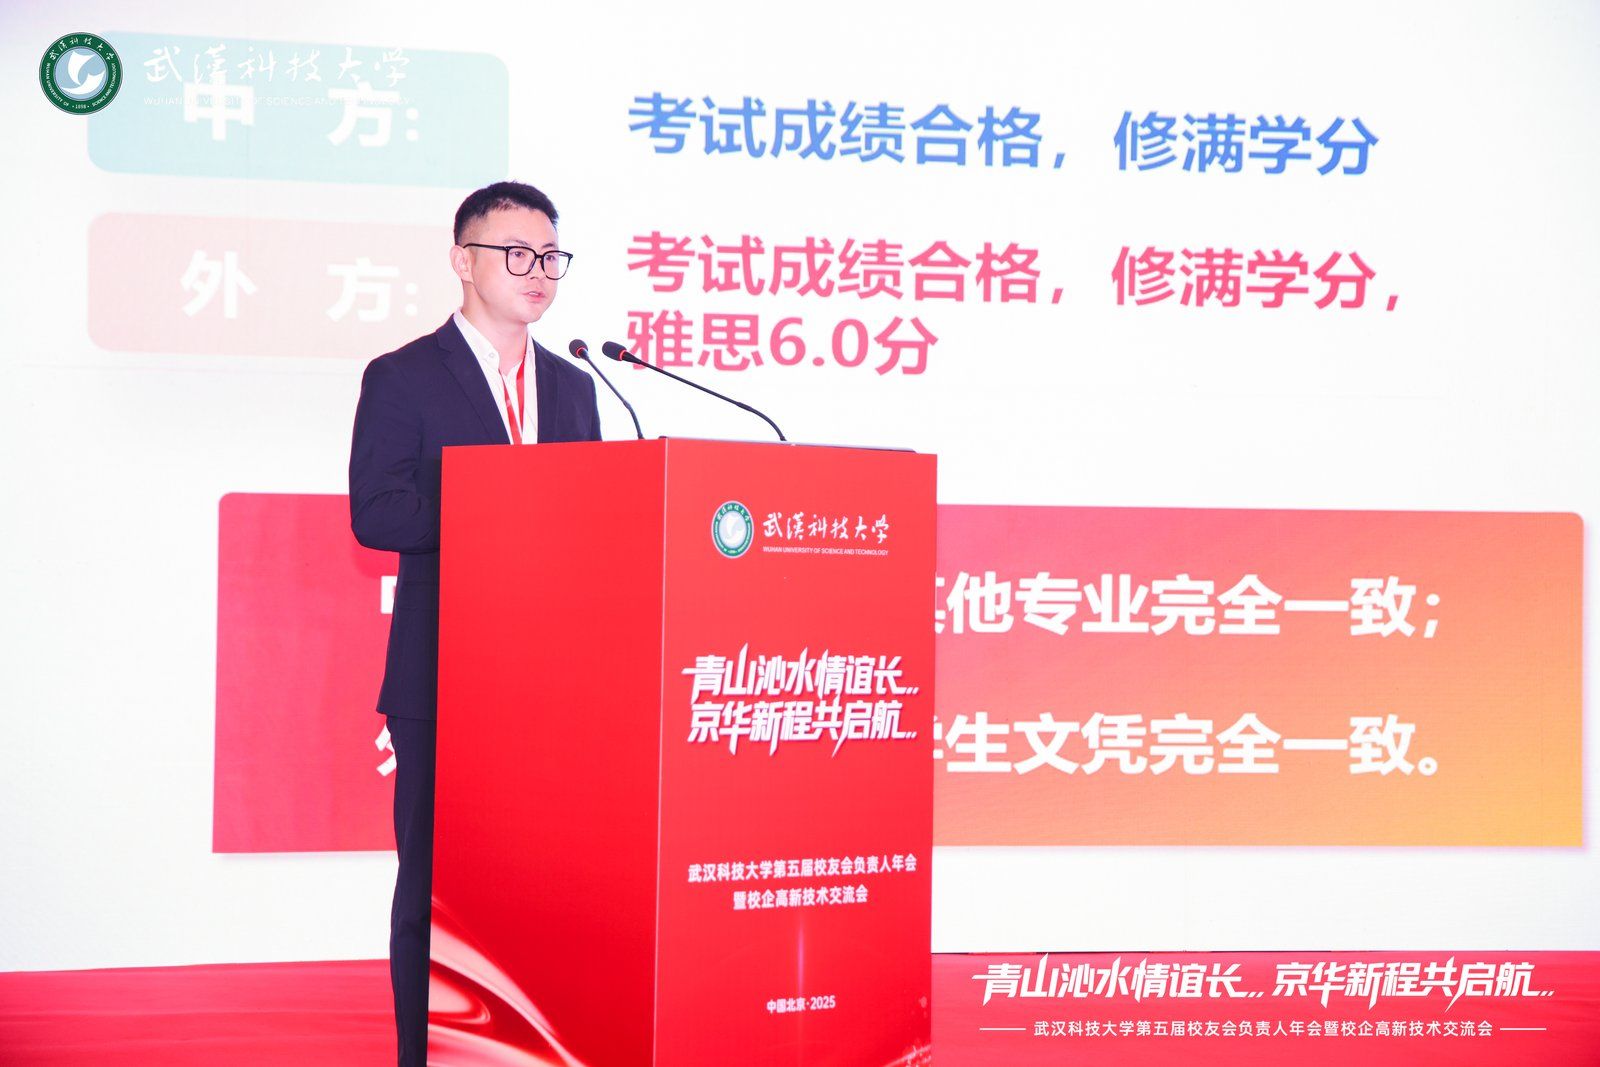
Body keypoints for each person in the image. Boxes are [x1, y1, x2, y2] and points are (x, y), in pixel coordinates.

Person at [348, 180, 601, 1066]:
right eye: (517, 253)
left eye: (551, 256)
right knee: (434, 888)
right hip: (442, 676)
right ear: (463, 260)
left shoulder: (573, 386)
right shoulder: (404, 376)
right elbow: (377, 511)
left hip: (550, 684)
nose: (539, 272)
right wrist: (499, 512)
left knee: (543, 885)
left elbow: (590, 518)